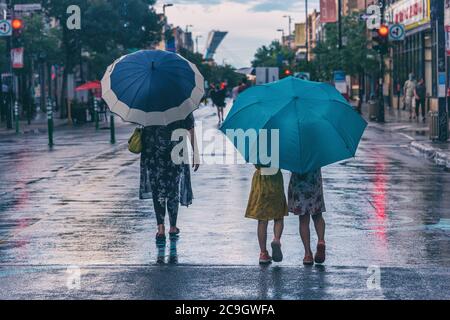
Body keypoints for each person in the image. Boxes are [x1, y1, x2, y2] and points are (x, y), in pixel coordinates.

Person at [140, 112, 200, 242]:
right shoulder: (182, 104)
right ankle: (173, 227)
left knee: (158, 190)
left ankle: (160, 228)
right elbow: (190, 128)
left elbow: (143, 128)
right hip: (176, 151)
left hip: (154, 152)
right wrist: (196, 152)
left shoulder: (149, 103)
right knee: (173, 189)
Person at [245, 166, 288, 264]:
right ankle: (276, 239)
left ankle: (263, 253)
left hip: (260, 180)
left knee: (262, 220)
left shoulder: (256, 150)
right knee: (278, 216)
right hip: (275, 178)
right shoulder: (279, 149)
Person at [288, 169, 326, 265]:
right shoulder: (315, 152)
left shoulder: (294, 153)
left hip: (299, 182)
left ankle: (307, 254)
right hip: (314, 179)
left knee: (303, 220)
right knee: (317, 215)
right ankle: (321, 240)